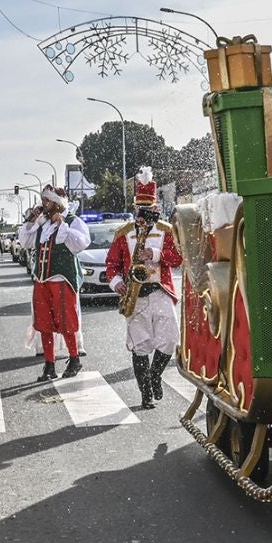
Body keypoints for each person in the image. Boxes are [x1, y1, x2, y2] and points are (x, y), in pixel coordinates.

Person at [103, 169, 182, 409]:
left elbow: (178, 258)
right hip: (135, 295)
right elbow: (111, 264)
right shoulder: (124, 233)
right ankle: (145, 394)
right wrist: (117, 284)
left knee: (169, 340)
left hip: (160, 291)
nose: (143, 215)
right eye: (140, 209)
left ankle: (155, 375)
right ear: (136, 208)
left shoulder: (167, 230)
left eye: (148, 209)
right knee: (140, 346)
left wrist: (155, 255)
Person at [19, 186, 92, 380]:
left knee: (67, 322)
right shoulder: (42, 224)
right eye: (43, 200)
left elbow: (80, 244)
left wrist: (63, 226)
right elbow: (25, 242)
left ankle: (74, 359)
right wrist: (30, 222)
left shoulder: (72, 221)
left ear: (58, 204)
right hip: (41, 280)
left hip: (61, 280)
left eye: (47, 201)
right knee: (43, 324)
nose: (43, 204)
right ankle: (49, 365)